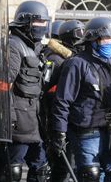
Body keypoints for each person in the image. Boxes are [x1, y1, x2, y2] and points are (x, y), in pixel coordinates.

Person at [51, 16, 111, 181]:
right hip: (87, 131)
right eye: (107, 38)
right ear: (93, 40)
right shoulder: (77, 63)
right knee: (90, 175)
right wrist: (59, 131)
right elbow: (62, 101)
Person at [3, 0, 51, 182]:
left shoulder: (36, 48)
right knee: (12, 171)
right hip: (18, 121)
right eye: (39, 22)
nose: (43, 27)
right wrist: (10, 118)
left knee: (41, 171)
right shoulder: (14, 45)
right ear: (26, 22)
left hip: (35, 119)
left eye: (44, 23)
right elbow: (3, 86)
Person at [41, 19, 84, 181]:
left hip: (71, 119)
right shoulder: (57, 59)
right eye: (78, 34)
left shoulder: (75, 58)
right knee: (62, 168)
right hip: (57, 119)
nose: (81, 38)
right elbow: (44, 88)